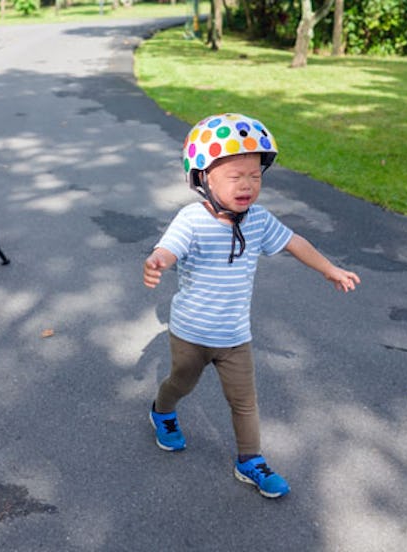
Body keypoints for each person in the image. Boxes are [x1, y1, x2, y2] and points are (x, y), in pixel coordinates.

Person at [143, 113, 360, 499]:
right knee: (181, 382)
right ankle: (162, 411)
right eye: (235, 176)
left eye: (255, 176)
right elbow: (169, 247)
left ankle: (250, 460)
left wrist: (328, 269)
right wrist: (159, 260)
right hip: (191, 333)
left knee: (244, 402)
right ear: (203, 178)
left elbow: (294, 242)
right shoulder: (191, 220)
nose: (247, 185)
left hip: (234, 338)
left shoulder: (258, 220)